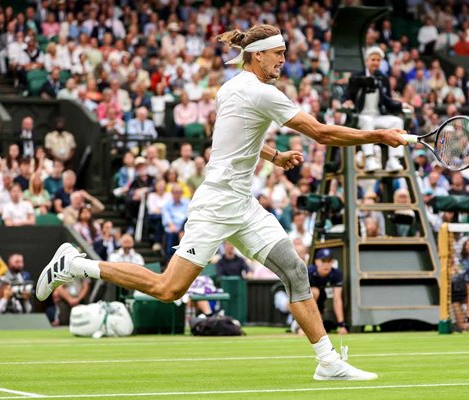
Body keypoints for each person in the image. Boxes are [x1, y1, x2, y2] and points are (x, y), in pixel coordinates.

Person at [36, 24, 407, 381]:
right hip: (216, 204)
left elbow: (234, 140)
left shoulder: (231, 88)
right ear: (257, 56)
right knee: (169, 289)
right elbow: (321, 133)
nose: (283, 61)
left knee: (294, 270)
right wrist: (378, 134)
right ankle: (78, 264)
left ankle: (327, 362)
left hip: (242, 203)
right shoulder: (261, 93)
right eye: (278, 54)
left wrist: (272, 156)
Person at [342, 47, 412, 172]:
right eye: (373, 59)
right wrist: (346, 102)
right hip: (360, 116)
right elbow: (347, 94)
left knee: (396, 122)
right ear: (367, 60)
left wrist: (401, 105)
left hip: (377, 116)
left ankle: (394, 159)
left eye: (378, 60)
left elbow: (386, 100)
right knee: (368, 121)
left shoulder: (383, 78)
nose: (375, 62)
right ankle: (369, 158)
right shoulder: (357, 76)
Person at [305, 248, 348, 335]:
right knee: (314, 291)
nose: (326, 264)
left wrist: (341, 325)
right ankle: (300, 324)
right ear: (316, 261)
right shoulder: (308, 272)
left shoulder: (336, 274)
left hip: (321, 303)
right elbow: (300, 298)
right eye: (323, 261)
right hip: (304, 304)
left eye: (329, 261)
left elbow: (337, 299)